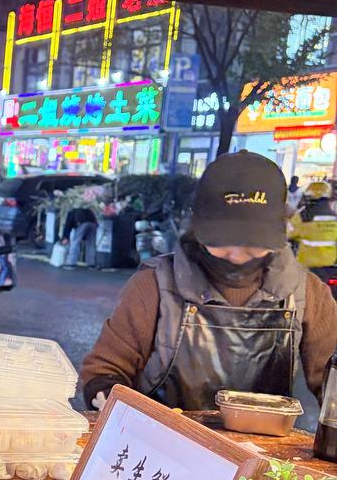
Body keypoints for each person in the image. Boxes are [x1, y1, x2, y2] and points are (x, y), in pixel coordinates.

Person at [81, 150, 337, 412]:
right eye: (222, 241)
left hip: (262, 449)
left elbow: (332, 383)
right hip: (162, 442)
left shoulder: (306, 293)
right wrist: (105, 395)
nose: (237, 255)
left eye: (253, 244)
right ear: (197, 226)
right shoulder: (155, 284)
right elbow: (104, 369)